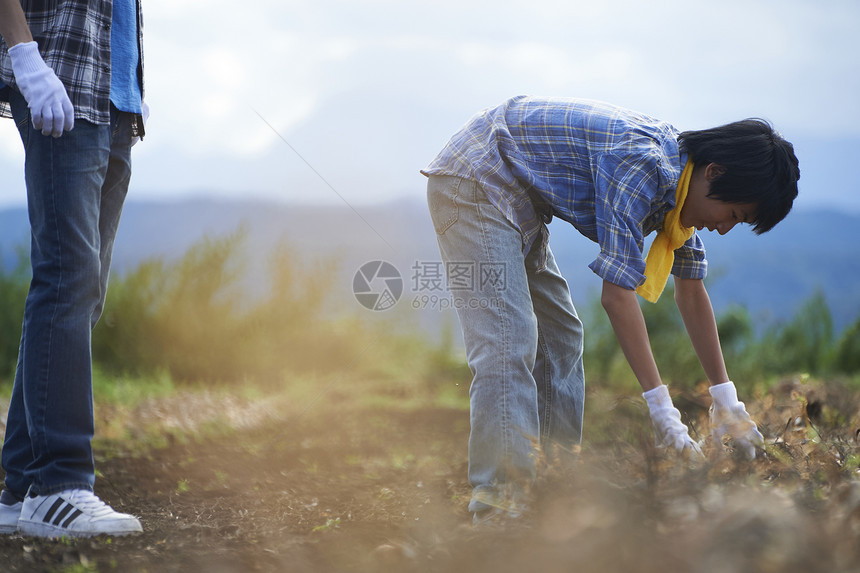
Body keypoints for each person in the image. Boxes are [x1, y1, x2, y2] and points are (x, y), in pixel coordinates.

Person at [421, 96, 799, 523]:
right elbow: (617, 297)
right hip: (475, 178)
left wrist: (726, 401)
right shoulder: (642, 167)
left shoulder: (682, 190)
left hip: (519, 200)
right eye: (733, 213)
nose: (725, 227)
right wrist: (662, 411)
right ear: (715, 174)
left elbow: (691, 292)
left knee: (562, 336)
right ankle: (501, 504)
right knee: (508, 341)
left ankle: (555, 488)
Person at [0, 0, 147, 537]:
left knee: (83, 290)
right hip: (59, 78)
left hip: (113, 95)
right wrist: (23, 54)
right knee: (67, 280)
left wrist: (129, 85)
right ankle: (59, 484)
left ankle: (21, 487)